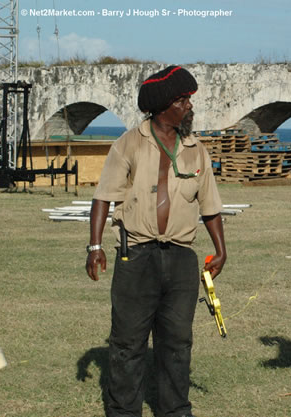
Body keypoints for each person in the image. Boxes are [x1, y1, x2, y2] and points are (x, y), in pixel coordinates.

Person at [85, 65, 227, 417]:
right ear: (164, 104)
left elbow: (210, 206)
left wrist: (222, 250)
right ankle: (123, 411)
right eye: (183, 100)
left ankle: (175, 410)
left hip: (181, 258)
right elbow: (103, 197)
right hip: (137, 256)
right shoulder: (130, 143)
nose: (189, 106)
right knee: (127, 343)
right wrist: (95, 246)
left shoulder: (196, 150)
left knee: (178, 342)